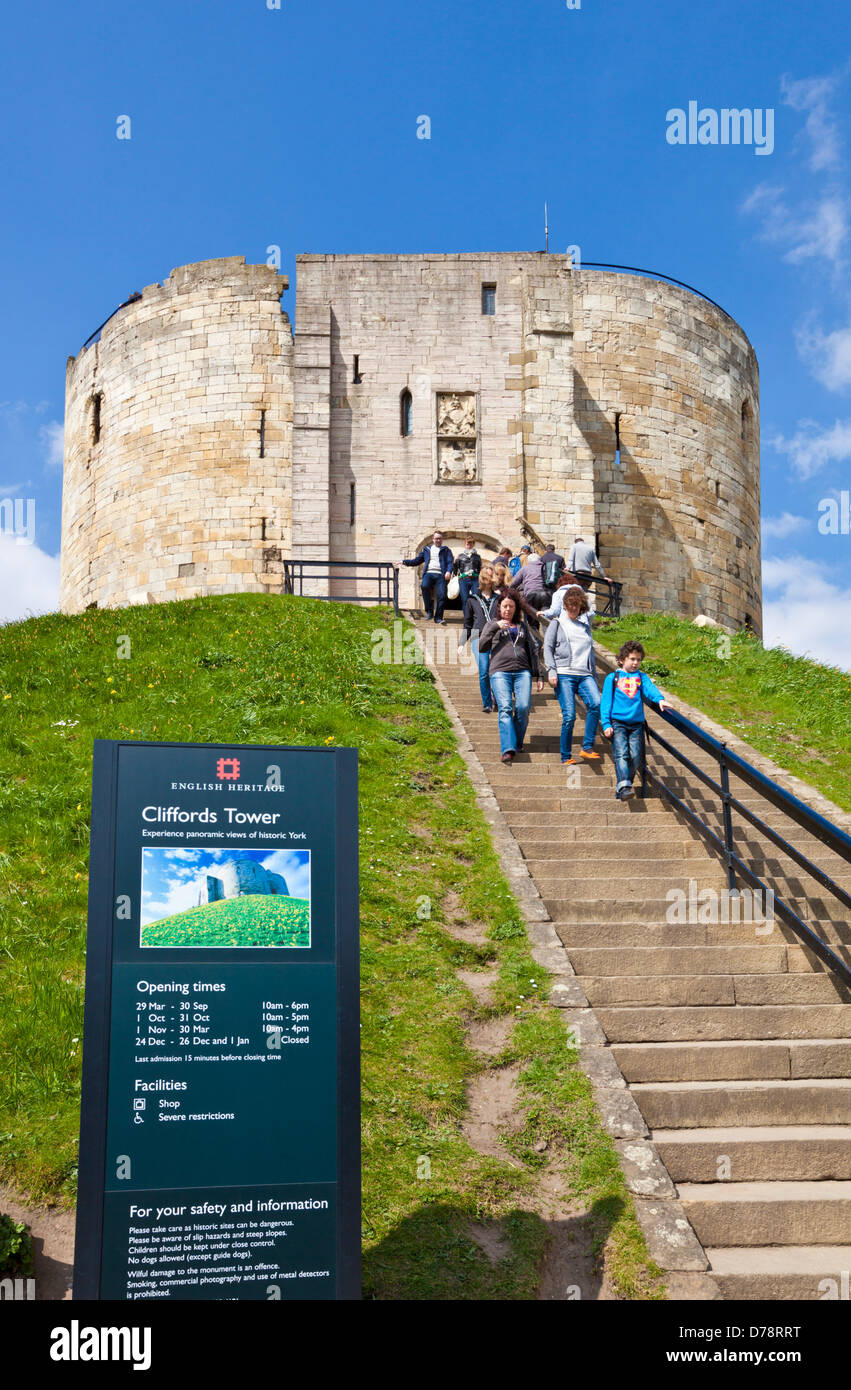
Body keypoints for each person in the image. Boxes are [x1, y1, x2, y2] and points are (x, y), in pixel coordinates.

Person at [600, 640, 674, 800]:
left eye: (638, 660)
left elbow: (649, 689)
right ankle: (625, 786)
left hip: (636, 724)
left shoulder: (641, 677)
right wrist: (606, 723)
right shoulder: (612, 678)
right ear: (622, 660)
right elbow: (606, 702)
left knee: (635, 756)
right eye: (632, 659)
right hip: (617, 723)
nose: (635, 663)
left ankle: (623, 787)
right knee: (621, 754)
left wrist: (660, 699)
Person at [479, 592, 544, 763]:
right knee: (506, 707)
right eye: (505, 606)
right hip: (500, 671)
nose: (508, 609)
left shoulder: (522, 626)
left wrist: (539, 675)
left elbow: (533, 650)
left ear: (516, 609)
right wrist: (496, 627)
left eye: (511, 606)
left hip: (523, 671)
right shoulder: (492, 624)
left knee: (523, 707)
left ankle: (517, 742)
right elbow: (481, 646)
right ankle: (508, 748)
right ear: (499, 608)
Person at [543, 585, 601, 765]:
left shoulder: (585, 625)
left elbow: (590, 650)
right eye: (571, 605)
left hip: (585, 674)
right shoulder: (557, 623)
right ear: (565, 605)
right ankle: (565, 756)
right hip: (564, 674)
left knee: (596, 703)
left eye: (577, 605)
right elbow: (548, 647)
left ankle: (587, 747)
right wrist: (551, 671)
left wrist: (594, 673)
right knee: (569, 715)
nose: (574, 608)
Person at [459, 563, 501, 711]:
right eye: (488, 575)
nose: (490, 578)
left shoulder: (500, 599)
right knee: (484, 670)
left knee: (496, 670)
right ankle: (487, 703)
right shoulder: (472, 599)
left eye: (492, 575)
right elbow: (468, 623)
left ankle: (497, 697)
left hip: (496, 637)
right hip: (478, 636)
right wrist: (461, 643)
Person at [401, 530, 454, 624]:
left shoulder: (446, 550)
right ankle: (429, 611)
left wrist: (449, 571)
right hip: (429, 573)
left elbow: (450, 562)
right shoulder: (427, 549)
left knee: (441, 595)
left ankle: (438, 617)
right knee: (424, 586)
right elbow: (417, 560)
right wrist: (404, 562)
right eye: (436, 538)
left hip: (441, 574)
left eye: (440, 539)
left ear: (442, 539)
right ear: (433, 539)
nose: (438, 540)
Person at [452, 535, 482, 612]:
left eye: (471, 543)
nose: (469, 545)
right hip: (463, 579)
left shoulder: (477, 557)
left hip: (475, 579)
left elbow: (479, 569)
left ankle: (475, 617)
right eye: (467, 544)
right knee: (465, 599)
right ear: (465, 544)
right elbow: (455, 571)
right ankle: (467, 620)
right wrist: (454, 562)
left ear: (473, 544)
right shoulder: (460, 556)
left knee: (476, 598)